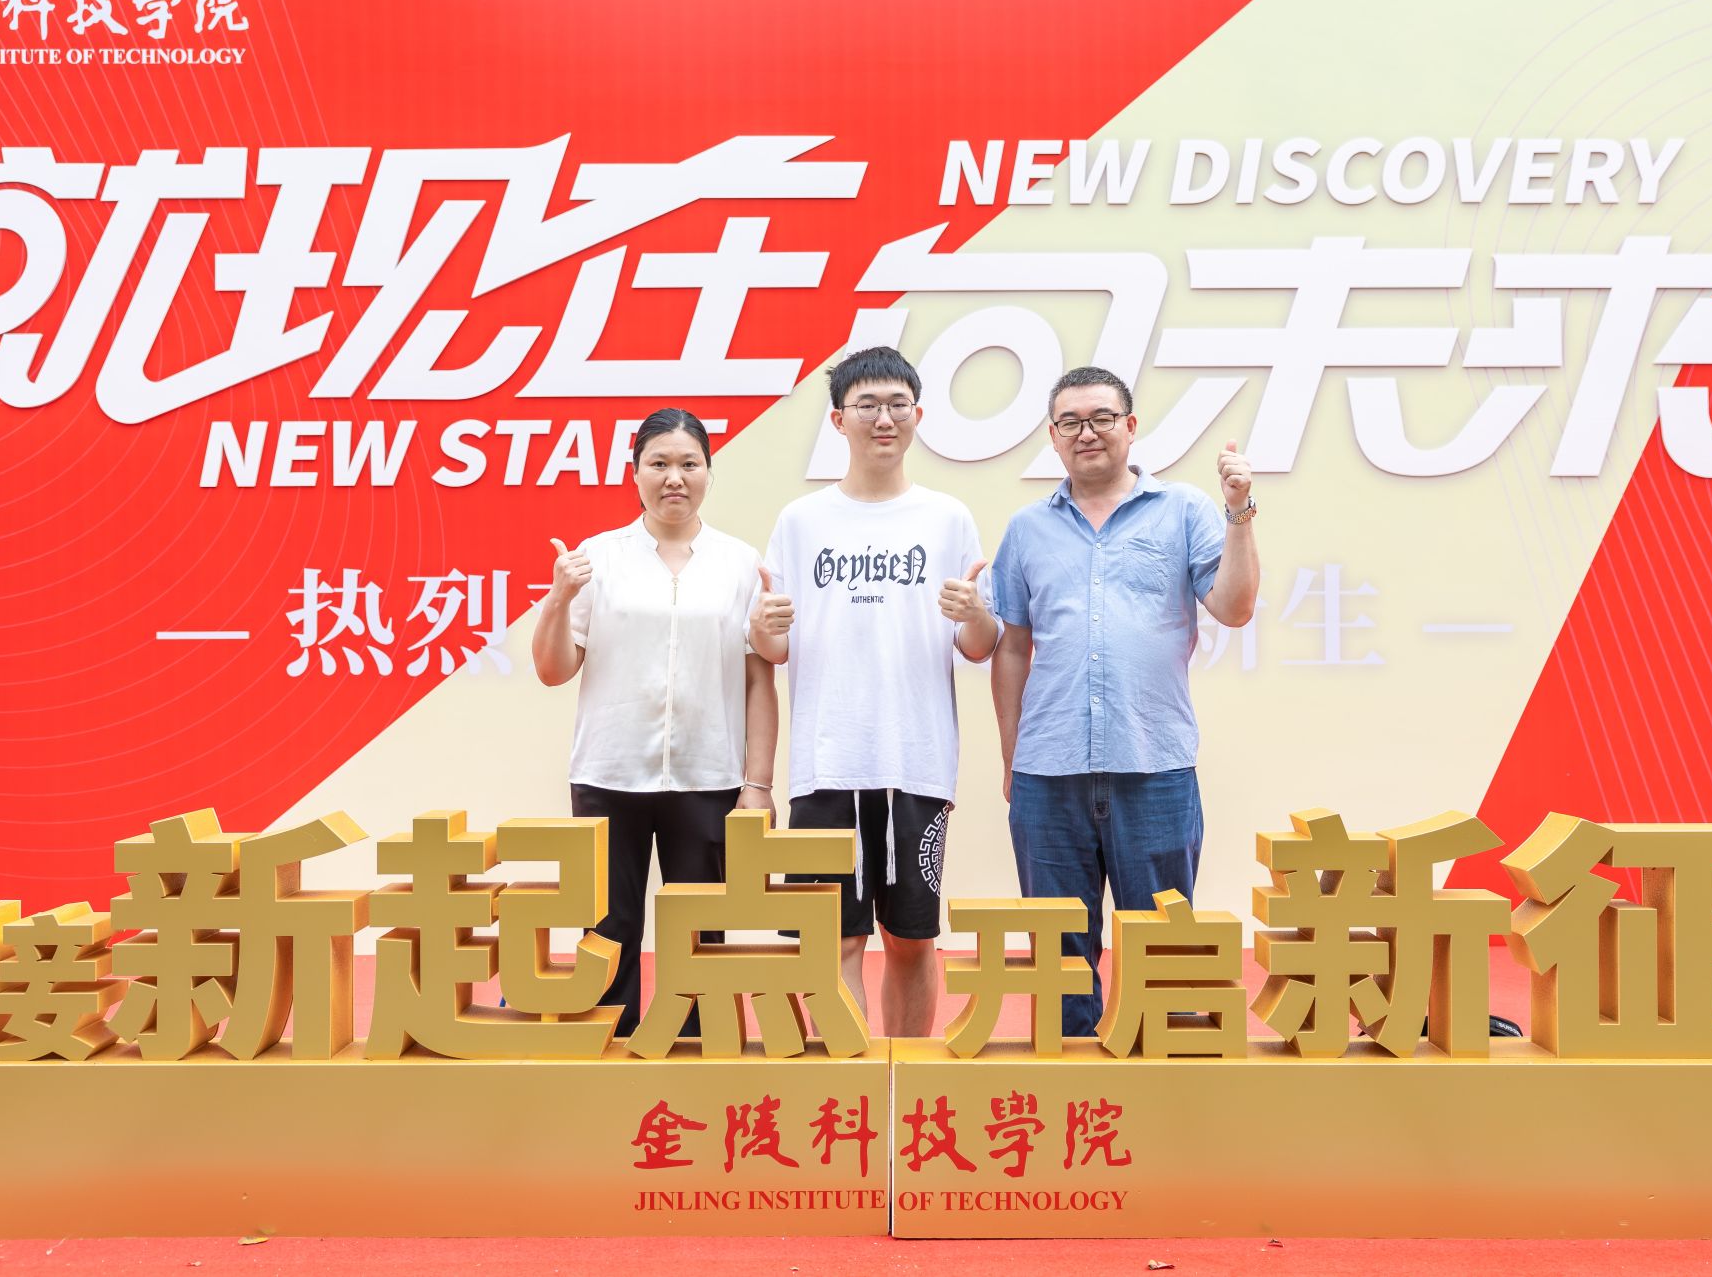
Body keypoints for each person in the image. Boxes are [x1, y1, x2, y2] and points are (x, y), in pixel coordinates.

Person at [988, 367, 1260, 1038]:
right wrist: (1012, 755)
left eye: (1103, 418)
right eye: (1071, 422)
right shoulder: (1027, 529)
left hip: (1154, 766)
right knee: (1059, 961)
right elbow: (1013, 647)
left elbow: (1234, 606)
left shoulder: (1185, 510)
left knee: (1163, 953)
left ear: (1131, 427)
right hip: (1048, 772)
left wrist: (1239, 512)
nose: (1088, 433)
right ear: (1053, 436)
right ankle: (1070, 1091)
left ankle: (1161, 1091)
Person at [750, 346, 998, 1037]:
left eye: (897, 404)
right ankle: (852, 1082)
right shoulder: (802, 520)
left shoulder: (947, 517)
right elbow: (772, 647)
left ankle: (906, 1082)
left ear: (918, 415)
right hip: (826, 764)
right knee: (834, 942)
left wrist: (974, 613)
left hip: (916, 762)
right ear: (838, 419)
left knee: (913, 939)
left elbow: (978, 644)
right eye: (866, 405)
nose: (883, 418)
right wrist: (764, 627)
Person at [533, 408, 777, 1037]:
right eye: (659, 463)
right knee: (607, 931)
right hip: (609, 773)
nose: (675, 477)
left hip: (708, 777)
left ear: (709, 473)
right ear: (635, 472)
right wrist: (558, 598)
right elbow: (553, 669)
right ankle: (610, 1057)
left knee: (700, 935)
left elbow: (759, 680)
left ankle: (693, 1059)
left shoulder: (740, 563)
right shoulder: (598, 558)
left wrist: (757, 784)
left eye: (689, 463)